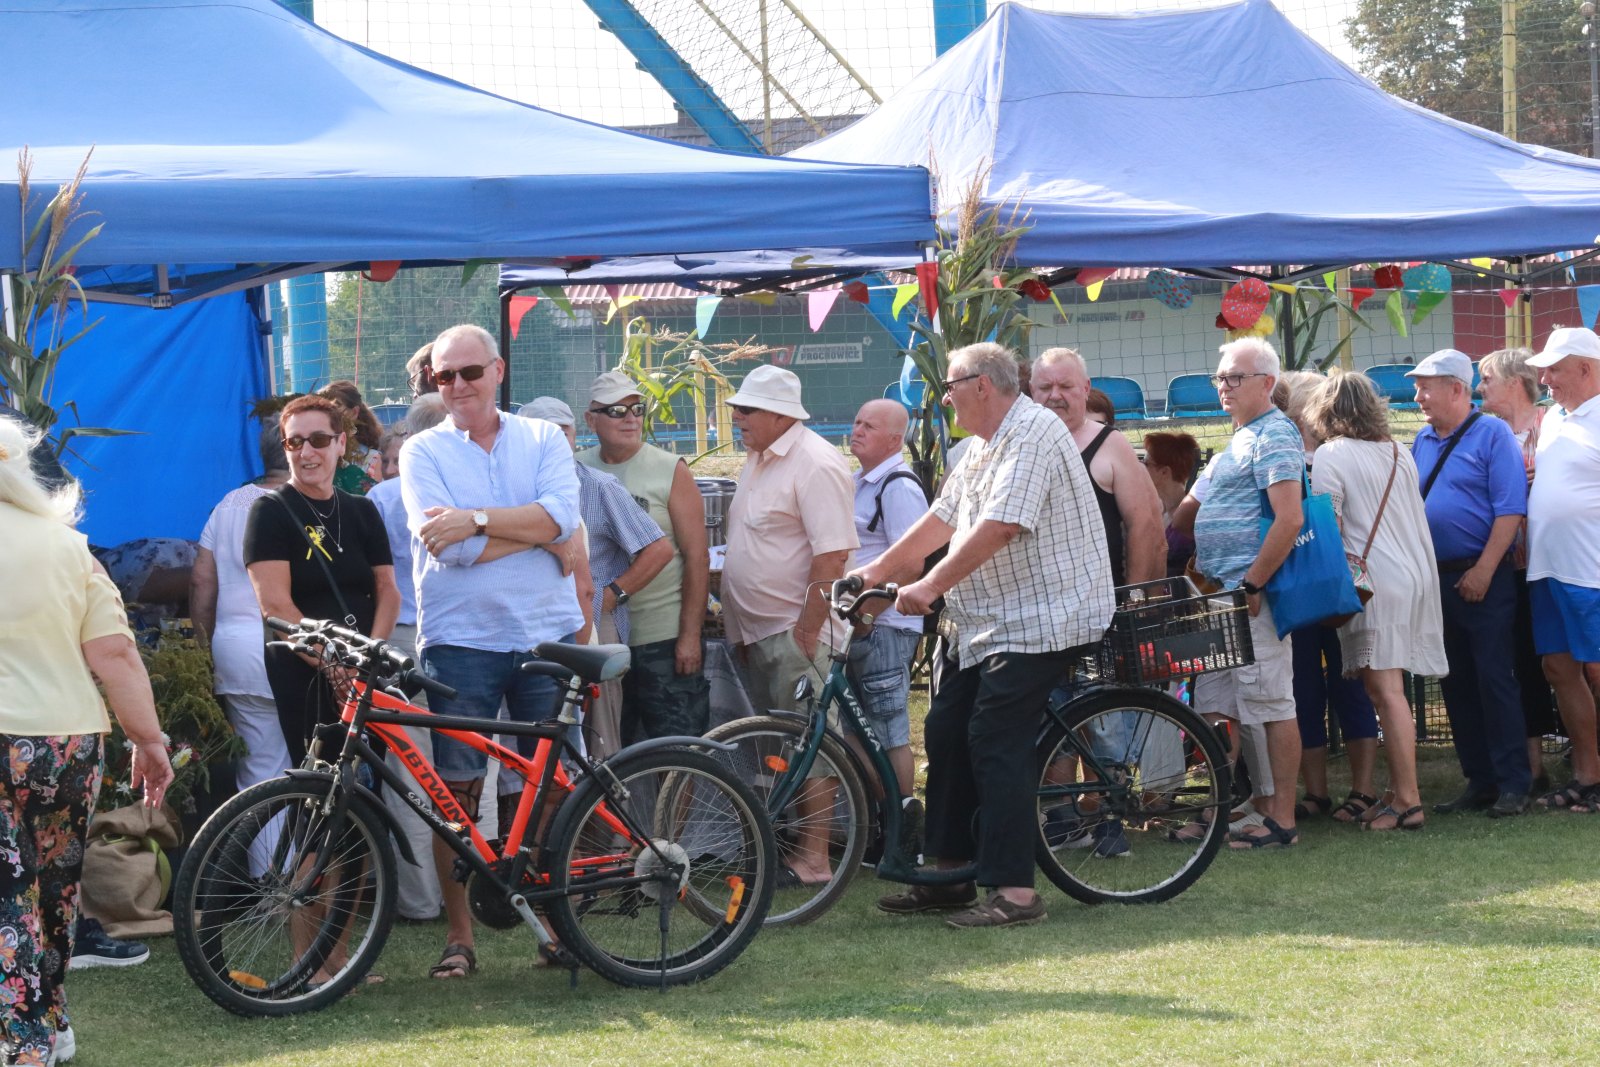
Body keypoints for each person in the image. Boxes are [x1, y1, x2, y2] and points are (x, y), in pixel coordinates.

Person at [856, 341, 1114, 929]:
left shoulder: (1033, 433)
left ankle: (1016, 893)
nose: (943, 396)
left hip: (1049, 616)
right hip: (993, 623)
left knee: (994, 736)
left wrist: (927, 587)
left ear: (983, 385)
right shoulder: (976, 448)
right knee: (946, 730)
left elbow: (999, 527)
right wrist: (873, 573)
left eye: (950, 386)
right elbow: (941, 520)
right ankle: (950, 873)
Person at [399, 324, 582, 981]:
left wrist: (477, 518)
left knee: (550, 792)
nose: (456, 387)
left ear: (498, 370)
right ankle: (460, 937)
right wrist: (533, 530)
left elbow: (563, 516)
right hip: (459, 639)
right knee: (454, 794)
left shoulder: (539, 437)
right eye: (443, 377)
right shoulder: (420, 450)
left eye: (468, 372)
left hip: (545, 634)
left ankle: (555, 929)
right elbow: (447, 549)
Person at [0, 414, 174, 1067]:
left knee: (6, 893)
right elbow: (116, 656)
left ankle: (23, 1041)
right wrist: (150, 740)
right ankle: (51, 1018)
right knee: (53, 887)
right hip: (69, 741)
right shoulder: (66, 545)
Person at [1304, 372, 1448, 830]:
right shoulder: (1398, 450)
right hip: (1413, 575)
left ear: (1324, 411)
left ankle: (1409, 800)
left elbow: (1330, 523)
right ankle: (1394, 791)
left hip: (1374, 582)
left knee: (1386, 691)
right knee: (1385, 689)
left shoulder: (1330, 453)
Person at [243, 396, 400, 768]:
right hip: (304, 669)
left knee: (367, 784)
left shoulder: (362, 509)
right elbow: (276, 607)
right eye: (294, 442)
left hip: (364, 667)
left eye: (318, 439)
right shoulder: (270, 511)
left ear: (341, 443)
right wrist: (334, 668)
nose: (306, 452)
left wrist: (365, 661)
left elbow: (387, 590)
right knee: (318, 786)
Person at [1192, 337, 1305, 849]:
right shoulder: (1241, 436)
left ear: (1267, 383)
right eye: (1220, 377)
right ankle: (1242, 805)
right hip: (1219, 594)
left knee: (1270, 701)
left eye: (1234, 377)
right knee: (1222, 704)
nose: (1224, 386)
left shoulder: (1276, 434)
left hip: (1248, 595)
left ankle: (1281, 816)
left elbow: (1290, 518)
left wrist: (1252, 582)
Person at [1408, 349, 1531, 816]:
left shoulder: (1493, 434)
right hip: (1438, 581)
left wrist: (1483, 569)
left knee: (1495, 677)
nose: (1418, 396)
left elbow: (1510, 509)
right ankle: (1479, 780)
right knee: (1455, 681)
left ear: (1456, 389)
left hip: (1483, 577)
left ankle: (1514, 782)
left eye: (1426, 387)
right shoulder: (1421, 439)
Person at [519, 396, 671, 756]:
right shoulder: (516, 487)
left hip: (592, 624)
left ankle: (602, 809)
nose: (556, 439)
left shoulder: (597, 485)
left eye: (563, 431)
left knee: (597, 735)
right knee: (540, 733)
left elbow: (658, 548)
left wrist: (612, 594)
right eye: (545, 432)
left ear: (574, 434)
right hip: (536, 621)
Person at [577, 371, 712, 743]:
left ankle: (671, 806)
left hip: (659, 635)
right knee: (606, 748)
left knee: (676, 744)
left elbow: (697, 558)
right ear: (591, 420)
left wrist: (689, 635)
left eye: (638, 409)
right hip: (598, 638)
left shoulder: (670, 470)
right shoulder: (577, 467)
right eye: (617, 410)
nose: (631, 418)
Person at [721, 366, 859, 717]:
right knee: (780, 759)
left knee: (814, 760)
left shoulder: (814, 462)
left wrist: (805, 633)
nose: (736, 416)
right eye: (736, 407)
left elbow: (833, 556)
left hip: (795, 635)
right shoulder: (758, 457)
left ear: (780, 415)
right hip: (764, 636)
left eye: (747, 409)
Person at [1276, 371, 1381, 824]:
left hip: (1324, 587)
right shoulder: (1283, 454)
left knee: (1339, 683)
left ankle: (1347, 790)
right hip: (1313, 587)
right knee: (1312, 687)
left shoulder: (1338, 455)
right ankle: (1333, 792)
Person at [366, 402, 445, 922]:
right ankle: (473, 890)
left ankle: (420, 899)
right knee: (467, 768)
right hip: (457, 635)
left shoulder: (381, 496)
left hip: (399, 636)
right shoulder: (460, 489)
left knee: (408, 770)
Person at [190, 420, 292, 797]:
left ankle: (265, 857)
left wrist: (204, 650)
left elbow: (202, 581)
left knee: (259, 770)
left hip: (233, 648)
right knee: (306, 771)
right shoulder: (302, 503)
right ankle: (298, 858)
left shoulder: (227, 504)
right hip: (291, 648)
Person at [1526, 327, 1600, 811]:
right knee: (1559, 668)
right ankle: (1588, 776)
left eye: (1555, 369)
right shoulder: (1553, 417)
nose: (1545, 378)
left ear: (1587, 369)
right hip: (1546, 567)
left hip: (1590, 570)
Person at [1477, 346, 1557, 794]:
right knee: (1521, 664)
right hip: (1509, 566)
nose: (1480, 386)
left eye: (1487, 378)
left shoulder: (1550, 424)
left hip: (1550, 563)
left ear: (1514, 382)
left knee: (1563, 664)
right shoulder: (1486, 432)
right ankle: (1533, 765)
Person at [846, 399, 928, 799]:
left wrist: (867, 617)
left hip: (885, 629)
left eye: (870, 426)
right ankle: (878, 823)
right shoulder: (861, 481)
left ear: (896, 440)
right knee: (859, 729)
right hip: (863, 627)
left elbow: (911, 563)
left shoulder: (898, 486)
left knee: (889, 730)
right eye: (857, 422)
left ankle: (902, 829)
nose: (857, 430)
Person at [1030, 347, 1164, 586]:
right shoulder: (1018, 443)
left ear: (1086, 388)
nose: (1055, 395)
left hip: (1101, 602)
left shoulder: (1111, 444)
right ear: (1031, 391)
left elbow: (1142, 524)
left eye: (1065, 386)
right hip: (1033, 604)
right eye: (1045, 387)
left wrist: (1134, 596)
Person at [1140, 430, 1201, 578]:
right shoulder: (1157, 510)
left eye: (1146, 463)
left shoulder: (1187, 517)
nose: (1140, 467)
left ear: (1164, 472)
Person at [318, 380, 385, 495]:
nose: (329, 413)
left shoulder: (372, 459)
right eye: (323, 407)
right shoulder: (314, 453)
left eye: (336, 406)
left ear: (354, 412)